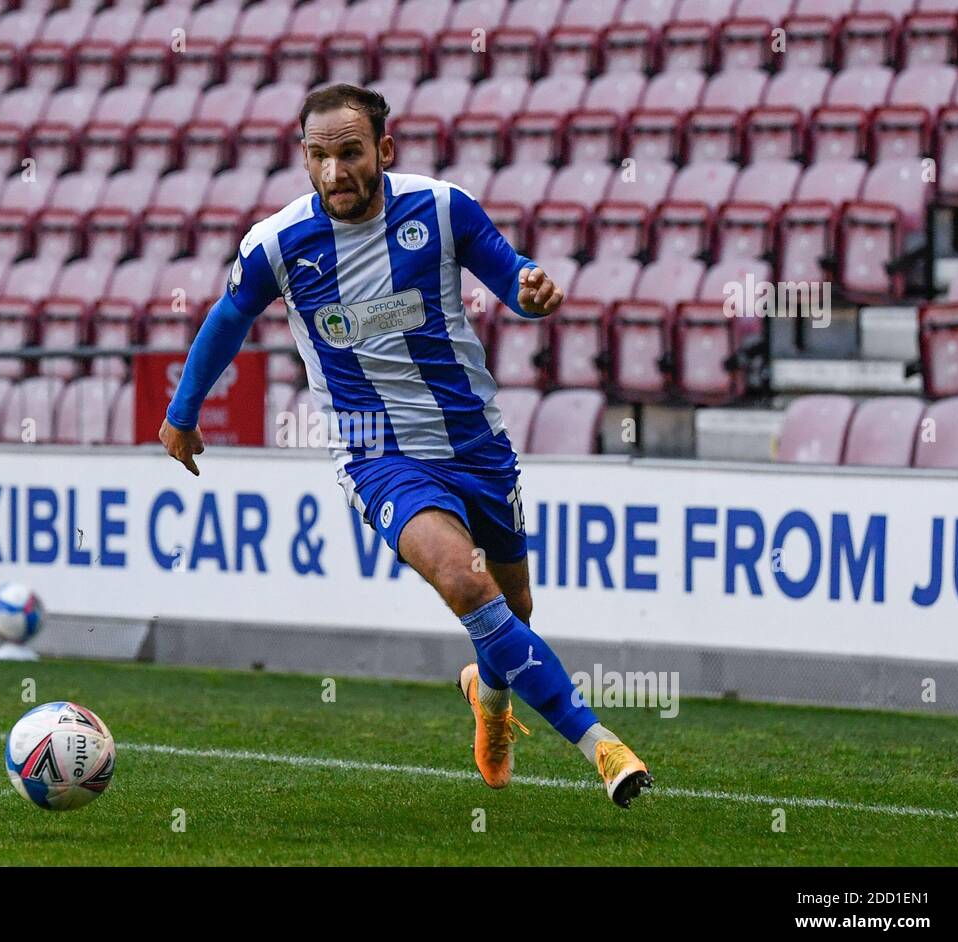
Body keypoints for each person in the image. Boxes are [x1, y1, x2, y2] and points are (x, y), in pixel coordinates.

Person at [159, 83, 652, 807]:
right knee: (464, 583)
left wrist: (530, 291)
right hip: (378, 455)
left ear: (383, 150)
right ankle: (601, 746)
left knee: (512, 613)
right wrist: (183, 410)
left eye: (350, 154)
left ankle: (488, 698)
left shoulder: (441, 208)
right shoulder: (278, 244)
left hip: (475, 446)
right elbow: (229, 317)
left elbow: (507, 273)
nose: (334, 175)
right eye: (318, 158)